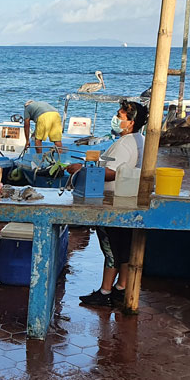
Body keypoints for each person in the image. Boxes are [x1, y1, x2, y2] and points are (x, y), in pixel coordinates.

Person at [67, 100, 147, 308]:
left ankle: (105, 292)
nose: (115, 119)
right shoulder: (142, 140)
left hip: (112, 200)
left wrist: (81, 170)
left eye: (120, 116)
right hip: (129, 198)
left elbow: (112, 173)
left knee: (110, 248)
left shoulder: (124, 143)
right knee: (124, 247)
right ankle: (121, 287)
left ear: (130, 122)